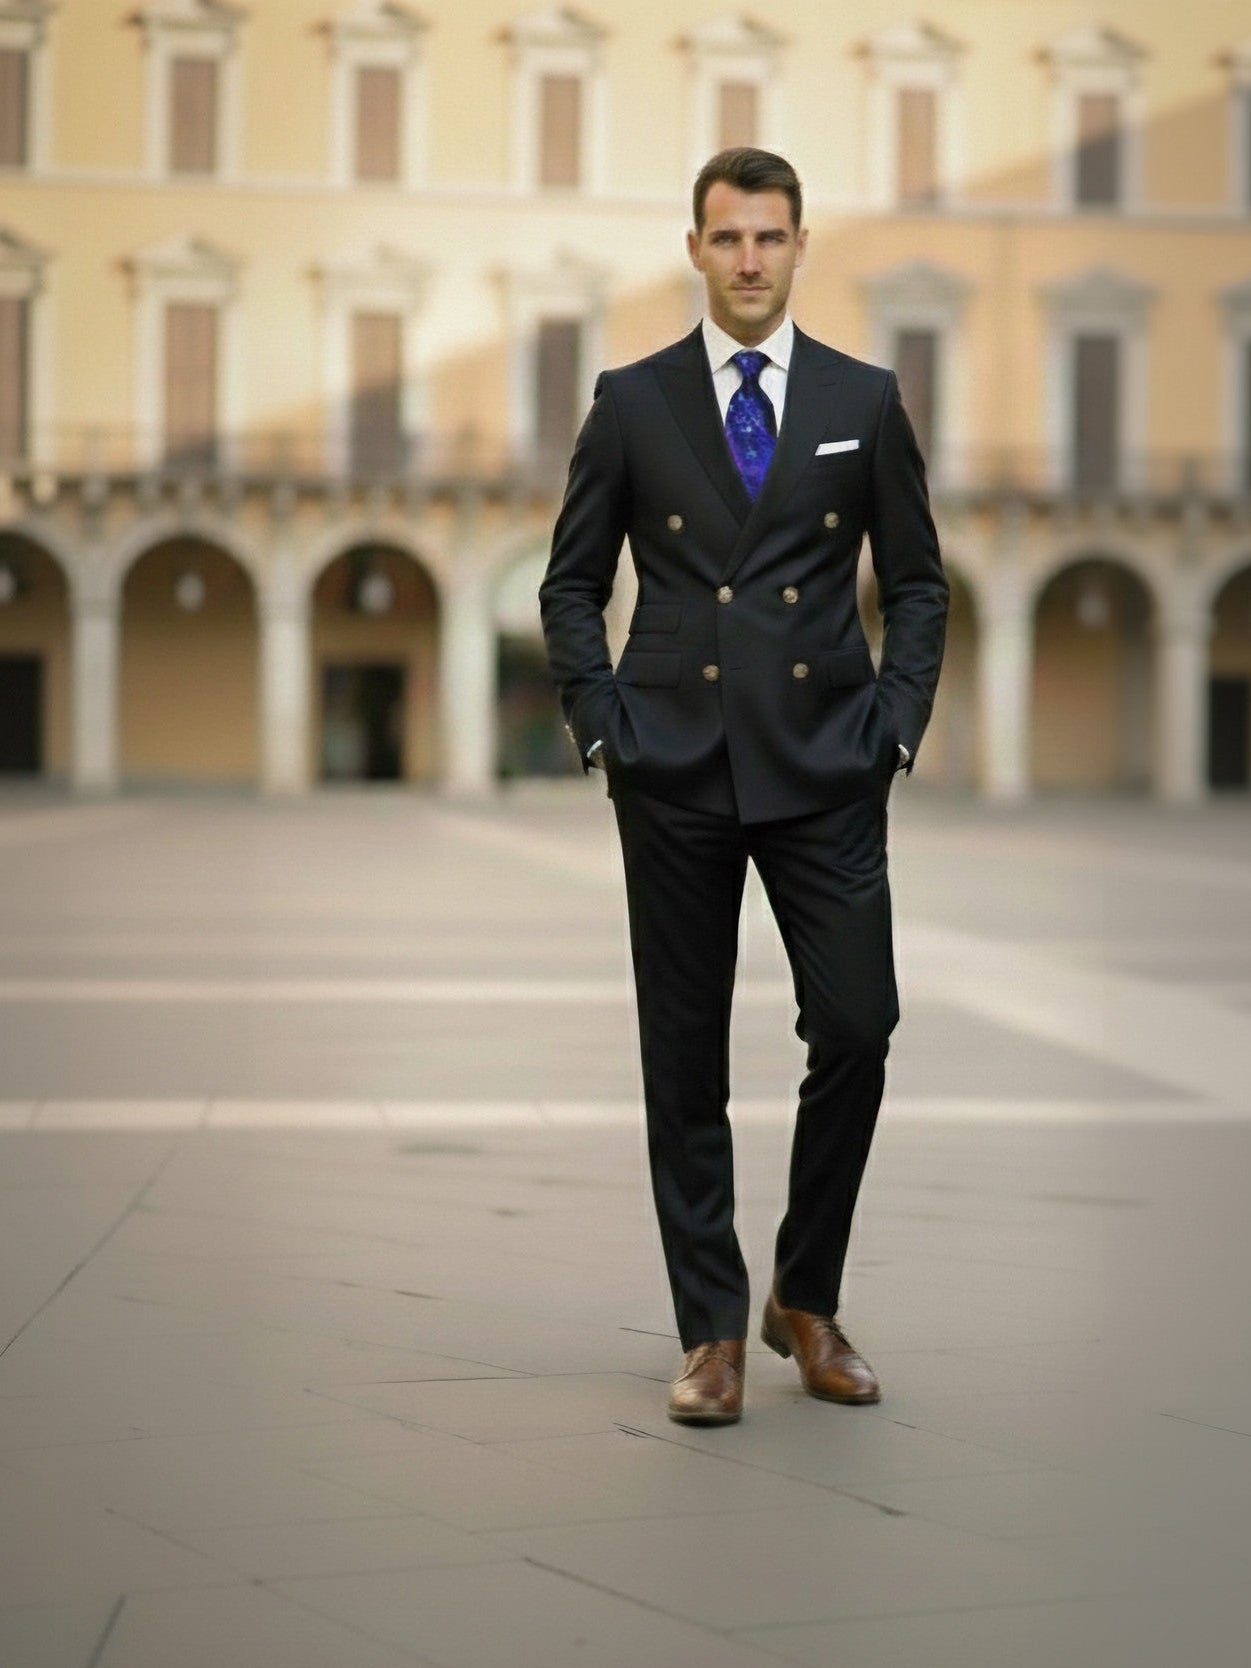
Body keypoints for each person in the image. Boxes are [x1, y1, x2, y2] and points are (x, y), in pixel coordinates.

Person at [539, 147, 948, 1425]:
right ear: (697, 250)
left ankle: (805, 1297)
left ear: (801, 246)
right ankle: (711, 1331)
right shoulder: (633, 400)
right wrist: (604, 725)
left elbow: (919, 584)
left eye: (771, 237)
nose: (751, 260)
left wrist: (892, 727)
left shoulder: (863, 398)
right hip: (673, 765)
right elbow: (570, 584)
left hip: (827, 763)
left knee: (861, 1026)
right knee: (682, 1053)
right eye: (729, 239)